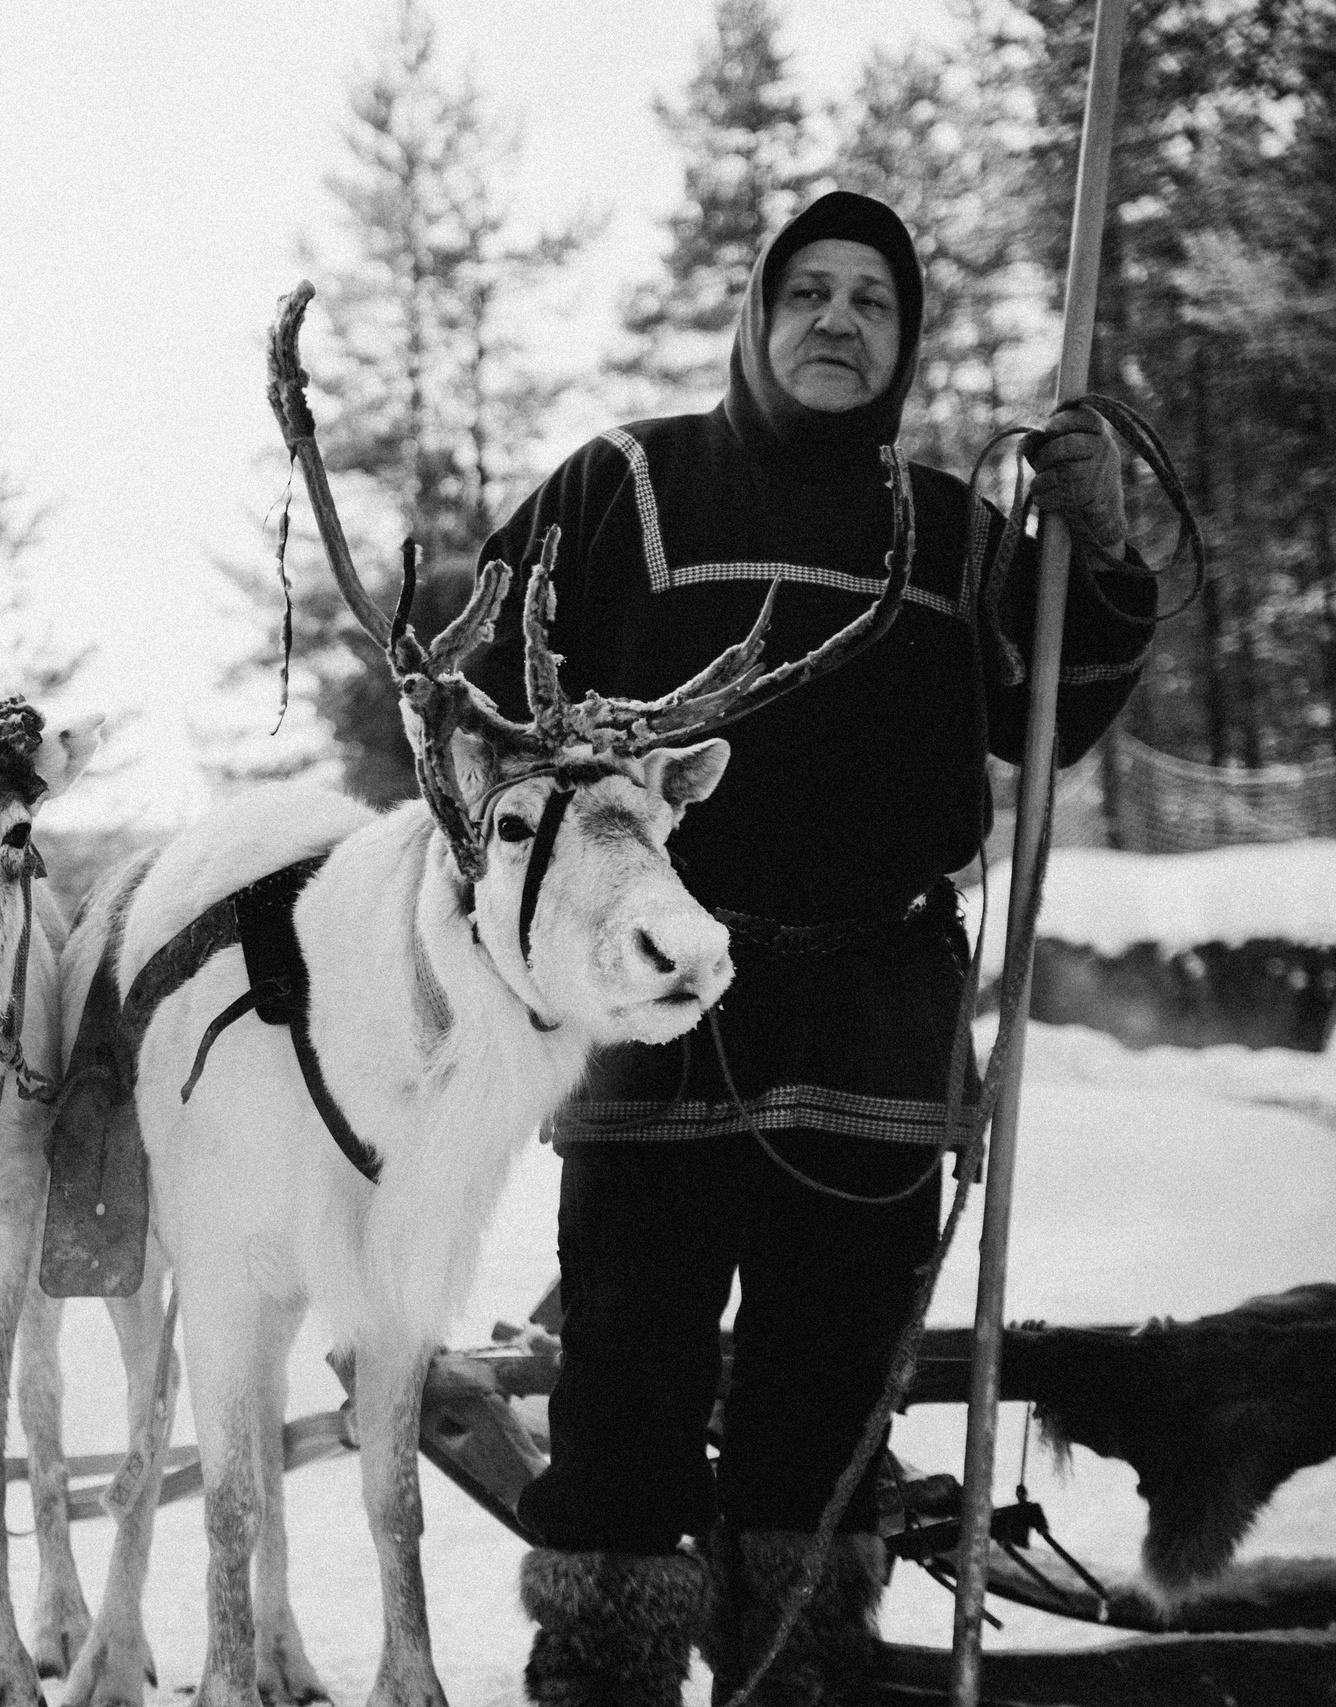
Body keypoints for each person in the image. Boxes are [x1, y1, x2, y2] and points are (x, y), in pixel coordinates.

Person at [472, 190, 1151, 1707]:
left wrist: (1091, 546)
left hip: (868, 1024)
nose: (840, 322)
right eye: (810, 294)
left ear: (904, 343)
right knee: (628, 1384)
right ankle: (605, 1670)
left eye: (875, 303)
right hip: (657, 1015)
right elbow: (475, 702)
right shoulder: (621, 486)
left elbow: (1054, 712)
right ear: (757, 319)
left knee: (827, 1401)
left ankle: (802, 1672)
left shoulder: (952, 529)